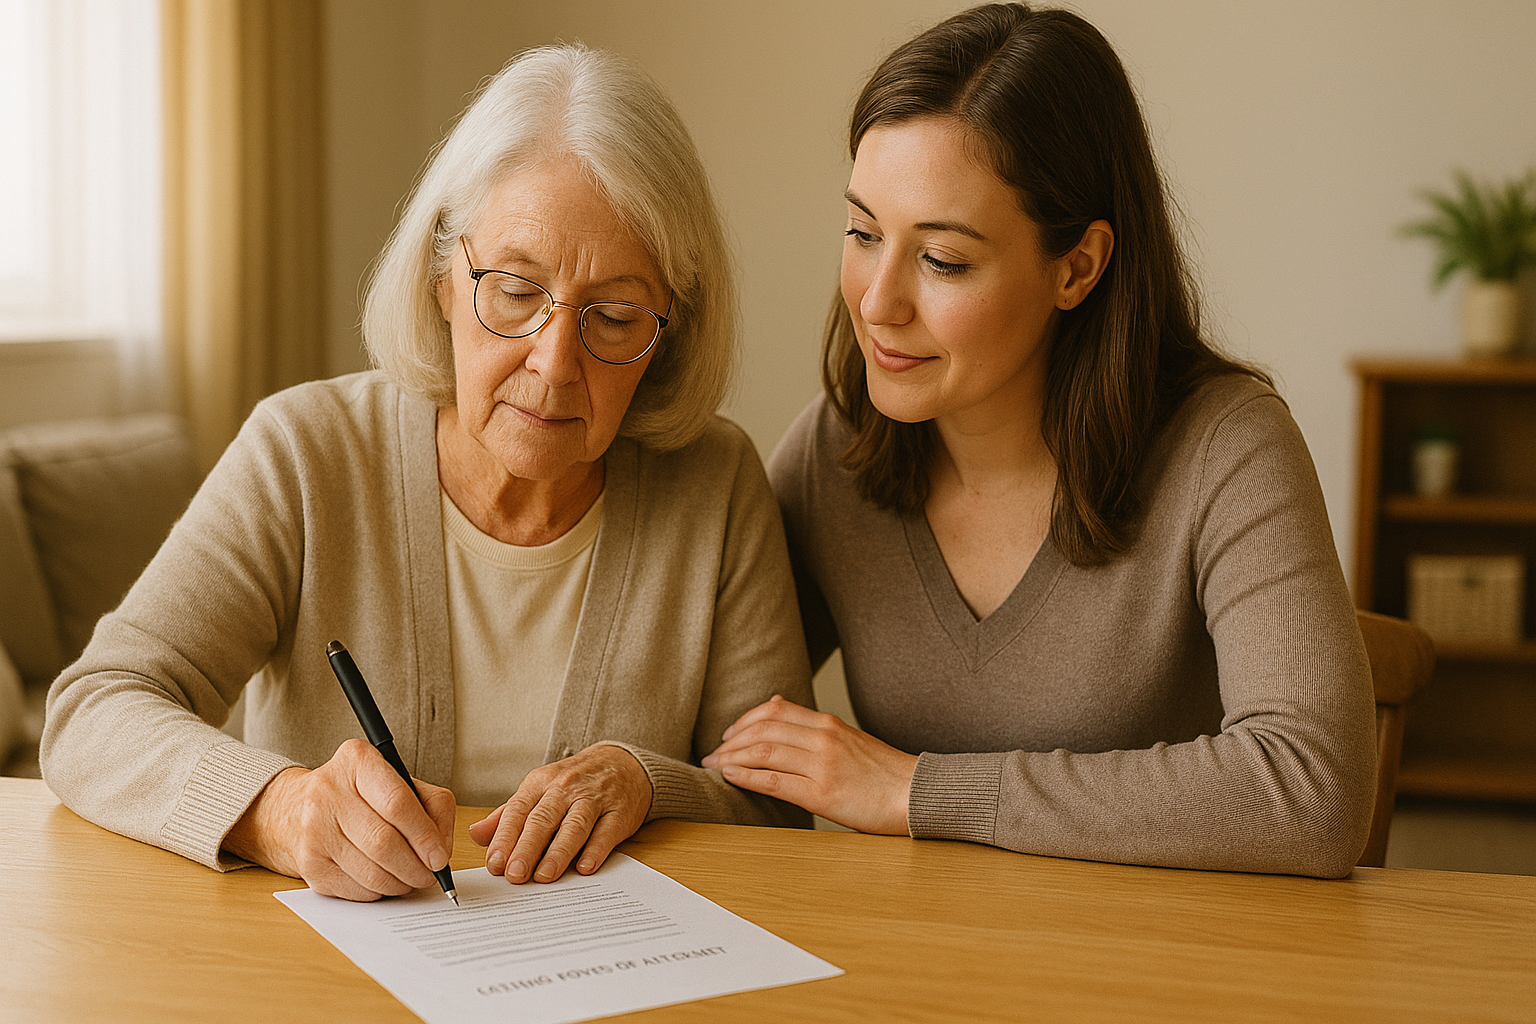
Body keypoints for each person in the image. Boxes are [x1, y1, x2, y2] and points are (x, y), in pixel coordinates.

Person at [42, 44, 812, 902]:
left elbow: (779, 810)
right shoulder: (305, 452)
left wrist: (644, 781)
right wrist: (280, 811)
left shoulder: (718, 482)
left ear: (669, 330)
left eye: (617, 315)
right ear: (444, 275)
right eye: (516, 291)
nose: (556, 363)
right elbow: (92, 712)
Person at [703, 3, 1376, 878]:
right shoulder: (837, 451)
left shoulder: (1228, 447)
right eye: (864, 233)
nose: (877, 302)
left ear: (1078, 268)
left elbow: (1314, 792)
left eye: (942, 260)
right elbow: (721, 733)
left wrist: (919, 792)